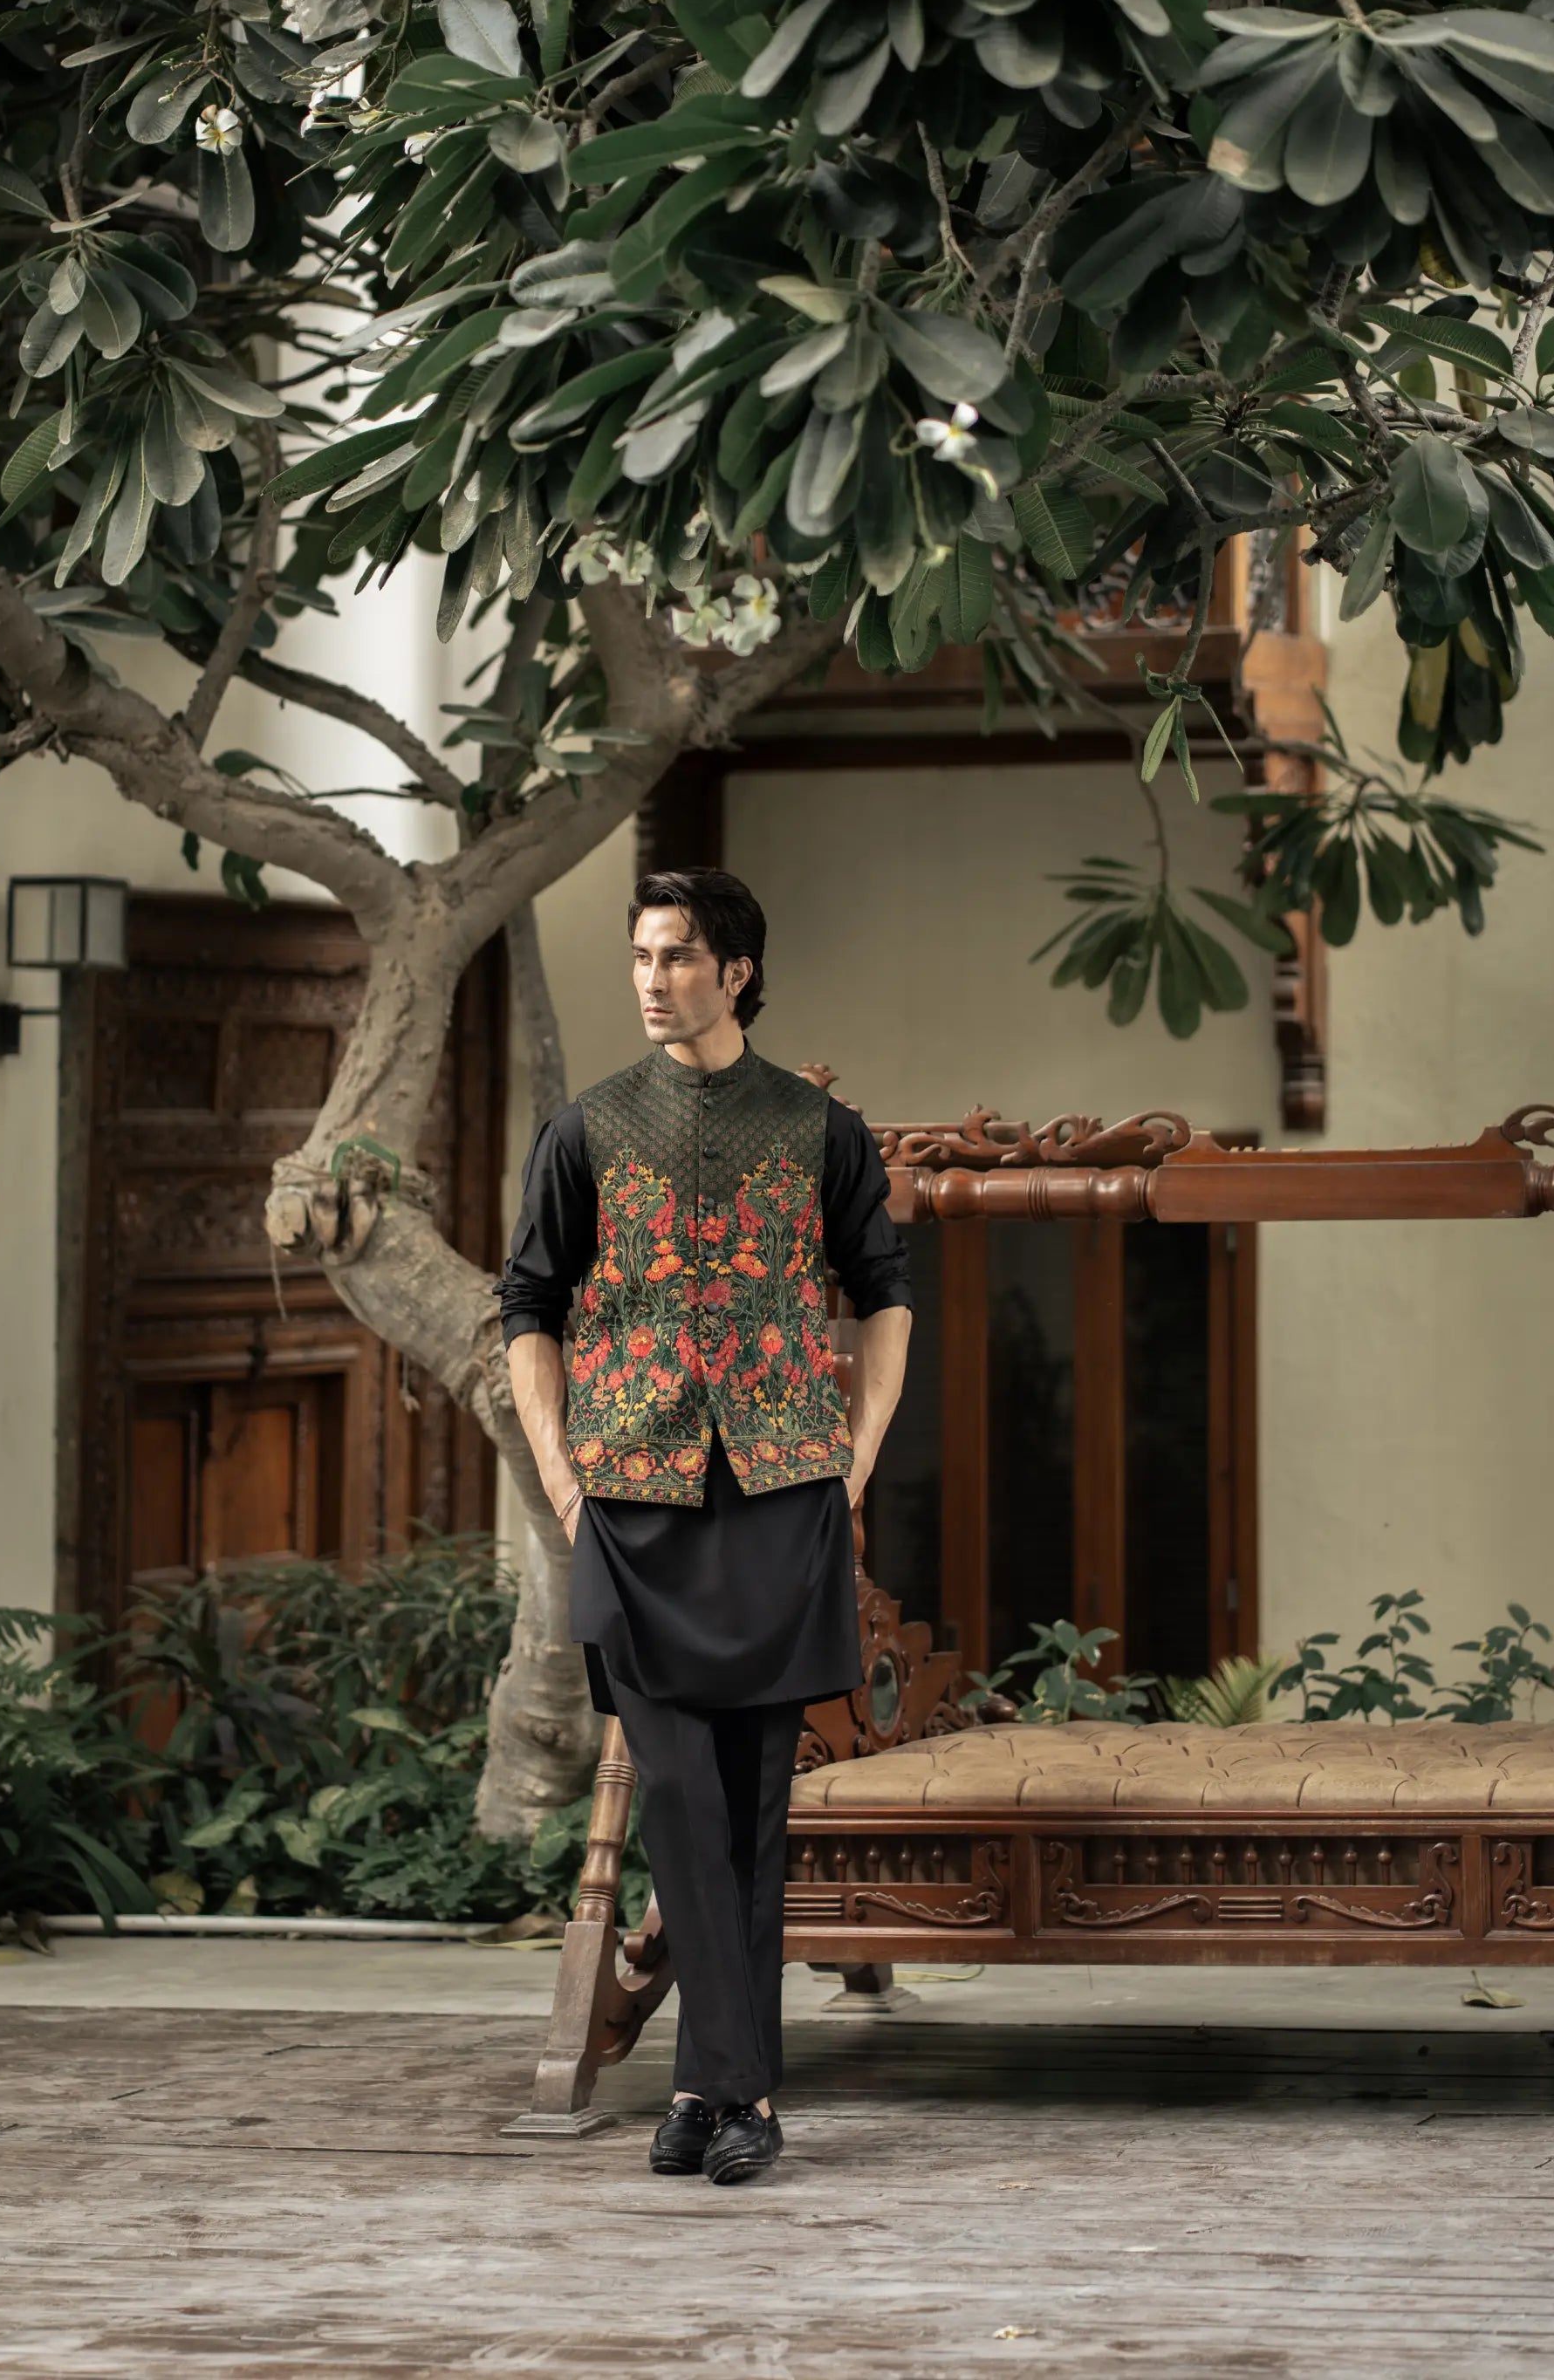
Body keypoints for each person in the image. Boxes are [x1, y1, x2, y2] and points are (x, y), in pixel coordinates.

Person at [499, 866, 913, 2185]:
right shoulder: (586, 1128)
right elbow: (528, 1307)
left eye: (675, 956)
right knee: (677, 1791)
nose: (649, 978)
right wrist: (565, 1479)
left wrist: (856, 1460)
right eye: (639, 955)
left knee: (751, 1806)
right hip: (633, 1500)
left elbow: (884, 1293)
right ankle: (737, 2089)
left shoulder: (818, 1127)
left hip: (781, 1497)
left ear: (736, 970)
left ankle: (715, 2097)